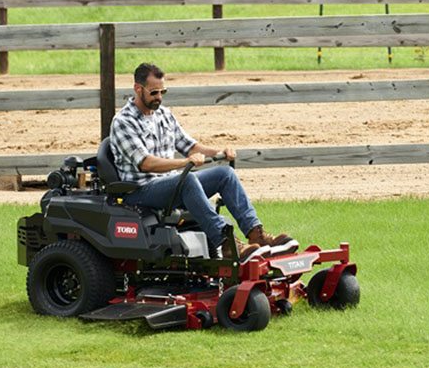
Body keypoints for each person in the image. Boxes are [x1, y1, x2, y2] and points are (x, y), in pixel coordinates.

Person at [110, 62, 295, 260]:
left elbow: (189, 146)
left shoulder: (163, 114)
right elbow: (146, 163)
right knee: (187, 180)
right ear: (138, 89)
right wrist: (185, 163)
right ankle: (226, 243)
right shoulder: (123, 122)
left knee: (225, 174)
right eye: (154, 92)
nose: (159, 98)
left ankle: (255, 234)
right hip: (141, 191)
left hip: (170, 185)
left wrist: (219, 151)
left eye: (163, 91)